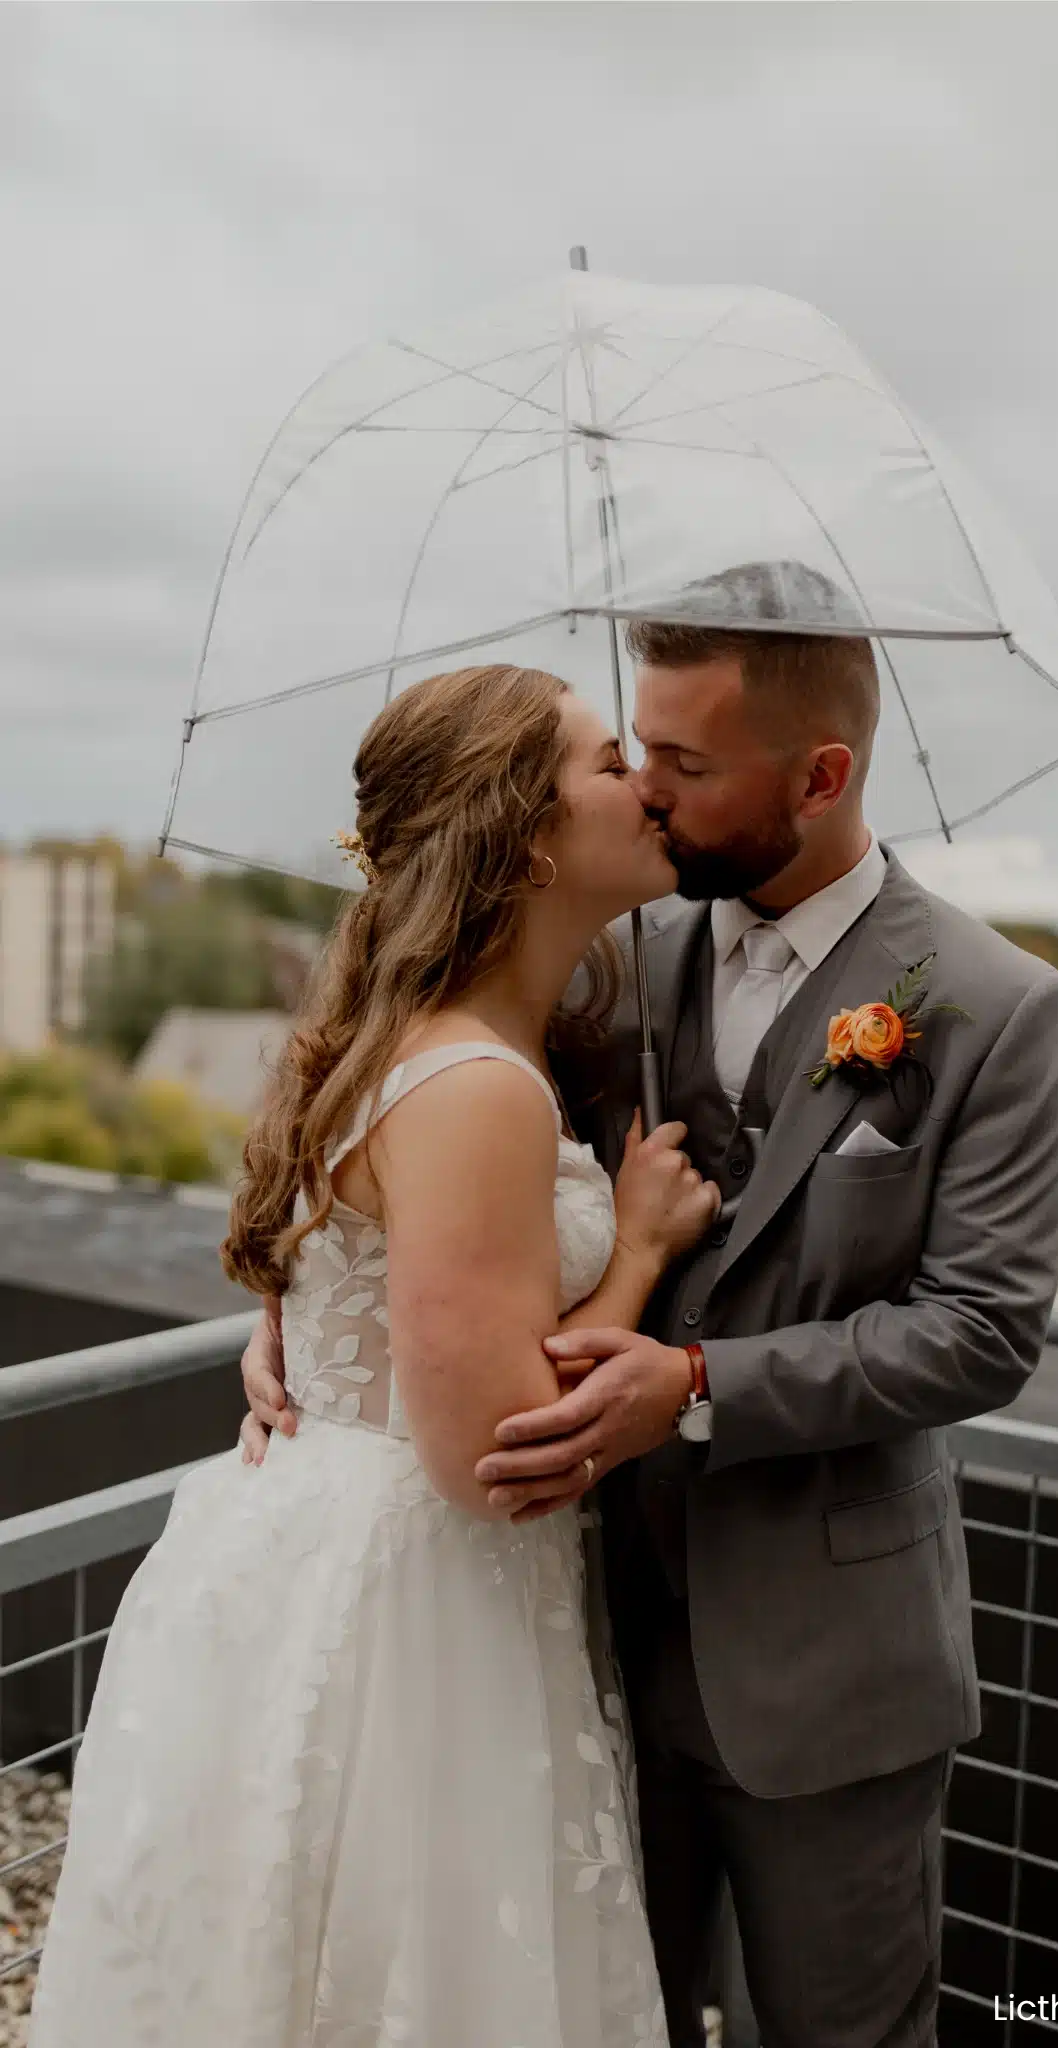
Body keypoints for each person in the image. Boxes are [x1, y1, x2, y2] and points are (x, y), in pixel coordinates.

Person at [244, 564, 1058, 2048]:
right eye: (636, 751)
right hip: (572, 1636)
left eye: (687, 767)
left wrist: (691, 1385)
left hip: (830, 1669)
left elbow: (983, 1329)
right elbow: (407, 1152)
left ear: (819, 776)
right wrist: (300, 1312)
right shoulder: (603, 951)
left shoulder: (997, 1005)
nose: (649, 791)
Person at [31, 663, 723, 2048]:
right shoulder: (474, 1083)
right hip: (415, 1600)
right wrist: (640, 1252)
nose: (644, 784)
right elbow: (486, 1454)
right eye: (606, 763)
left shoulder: (432, 1038)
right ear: (526, 836)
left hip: (325, 1542)